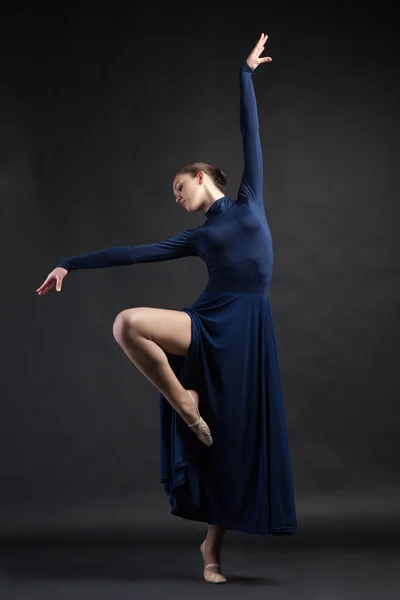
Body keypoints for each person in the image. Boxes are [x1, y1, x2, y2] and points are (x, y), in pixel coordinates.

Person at [36, 33, 297, 584]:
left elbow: (251, 133)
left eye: (180, 186)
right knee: (127, 322)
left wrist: (245, 74)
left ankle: (211, 550)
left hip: (251, 331)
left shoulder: (249, 199)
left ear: (203, 176)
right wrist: (69, 263)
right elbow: (132, 254)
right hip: (210, 322)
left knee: (233, 438)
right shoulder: (195, 237)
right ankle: (184, 401)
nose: (176, 196)